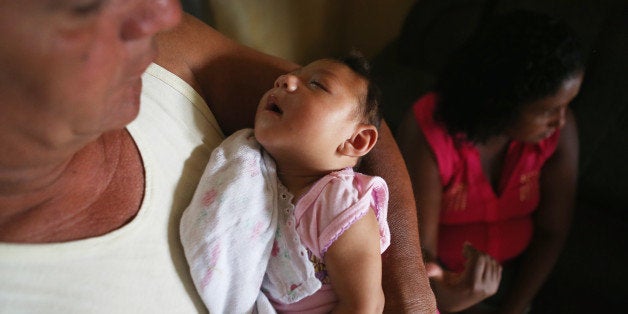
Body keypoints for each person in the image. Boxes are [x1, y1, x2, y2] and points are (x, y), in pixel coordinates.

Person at [0, 1, 436, 313]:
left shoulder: (332, 196)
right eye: (84, 6)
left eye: (313, 83)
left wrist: (410, 294)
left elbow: (363, 127)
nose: (164, 13)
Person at [396, 10, 585, 313]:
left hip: (518, 281)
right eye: (548, 109)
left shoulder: (557, 133)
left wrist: (517, 305)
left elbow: (552, 230)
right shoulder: (429, 132)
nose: (560, 121)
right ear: (503, 102)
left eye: (566, 106)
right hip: (443, 287)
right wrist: (453, 298)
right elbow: (417, 256)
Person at [181, 53, 389, 313]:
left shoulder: (338, 201)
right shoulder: (250, 170)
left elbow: (366, 305)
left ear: (355, 141)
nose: (284, 80)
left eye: (317, 84)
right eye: (286, 78)